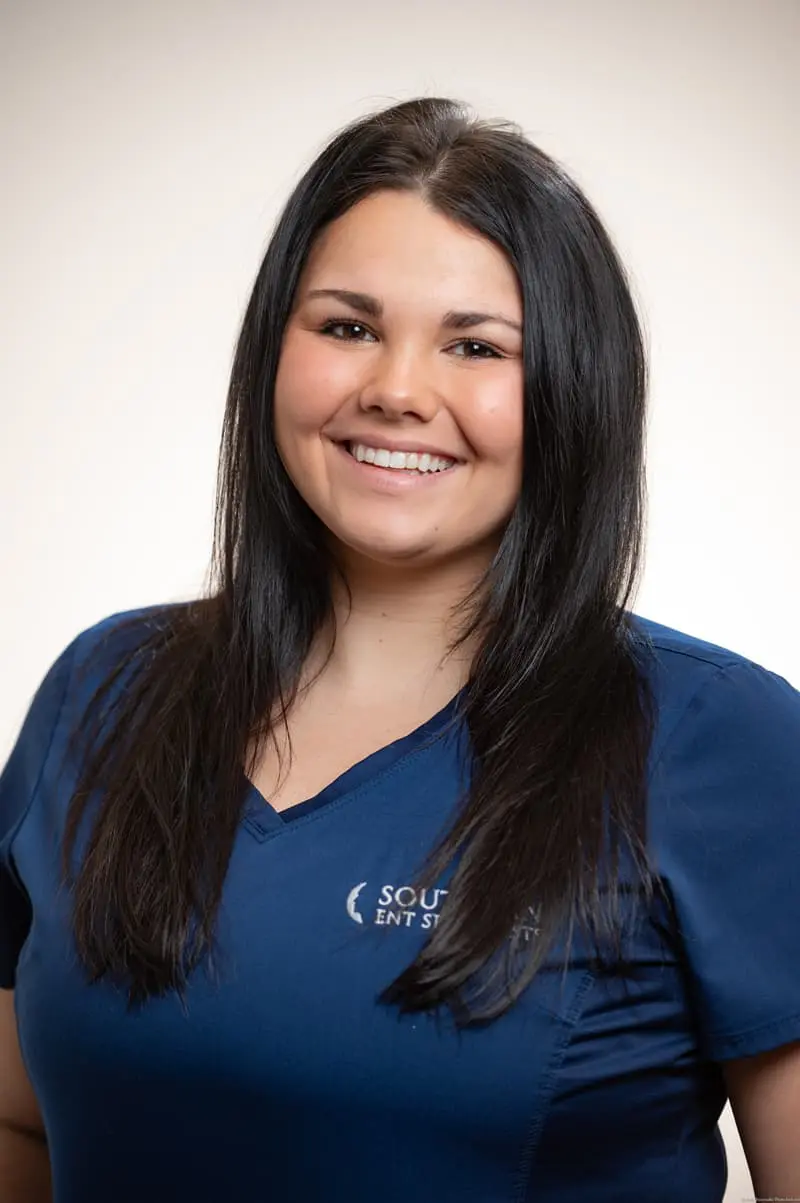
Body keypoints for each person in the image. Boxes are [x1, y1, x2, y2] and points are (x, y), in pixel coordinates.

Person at [1, 96, 798, 1203]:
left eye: (475, 346)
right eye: (346, 326)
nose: (396, 390)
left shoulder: (723, 744)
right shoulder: (101, 692)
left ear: (572, 387)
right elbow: (21, 1126)